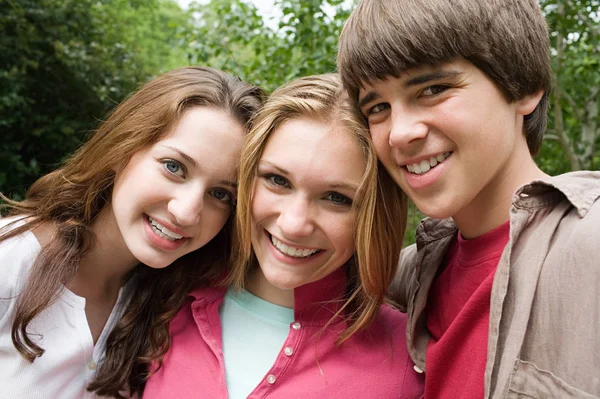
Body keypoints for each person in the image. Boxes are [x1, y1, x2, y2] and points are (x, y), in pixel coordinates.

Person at [337, 0, 600, 398]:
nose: (399, 133)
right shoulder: (401, 277)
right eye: (378, 108)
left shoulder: (590, 248)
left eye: (433, 89)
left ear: (523, 87)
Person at [143, 74, 425, 398]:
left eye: (336, 198)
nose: (293, 224)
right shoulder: (162, 298)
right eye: (277, 180)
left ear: (374, 217)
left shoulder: (408, 363)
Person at [0, 66, 264, 398]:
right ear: (121, 150)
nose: (186, 211)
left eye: (221, 194)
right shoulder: (10, 259)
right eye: (174, 167)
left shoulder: (168, 302)